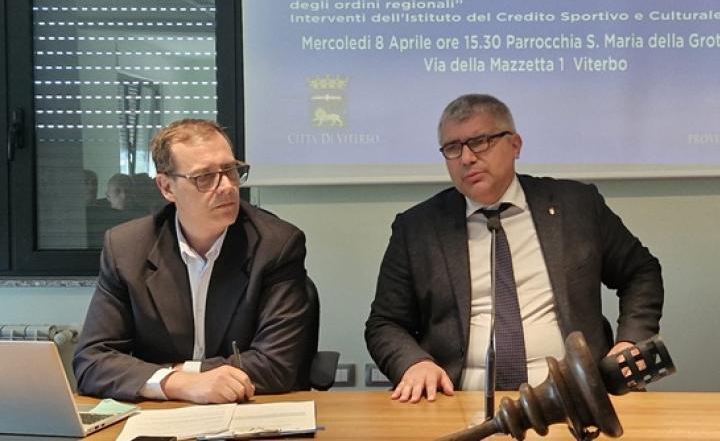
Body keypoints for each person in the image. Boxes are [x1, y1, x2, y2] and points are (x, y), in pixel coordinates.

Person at [365, 94, 664, 403]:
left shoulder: (576, 206)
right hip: (457, 398)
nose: (466, 158)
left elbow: (640, 272)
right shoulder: (418, 228)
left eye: (480, 142)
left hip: (578, 396)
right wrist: (414, 363)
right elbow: (385, 323)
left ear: (515, 145)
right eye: (453, 148)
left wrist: (631, 341)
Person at [74, 119, 310, 404]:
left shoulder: (275, 245)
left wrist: (182, 373)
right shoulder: (127, 249)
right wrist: (177, 384)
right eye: (205, 177)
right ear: (167, 187)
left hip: (247, 410)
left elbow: (276, 365)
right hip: (161, 414)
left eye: (230, 170)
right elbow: (92, 361)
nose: (226, 186)